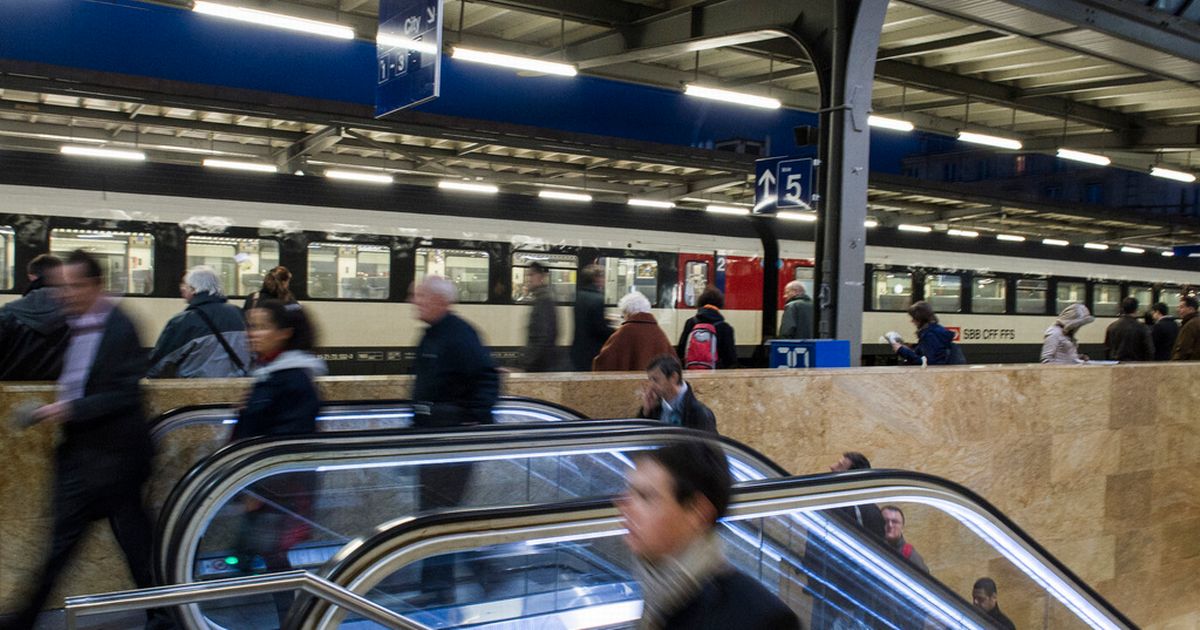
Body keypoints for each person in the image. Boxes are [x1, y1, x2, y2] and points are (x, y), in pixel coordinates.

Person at [4, 250, 172, 630]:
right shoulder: (74, 323)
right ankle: (164, 615)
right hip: (89, 456)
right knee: (109, 544)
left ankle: (165, 614)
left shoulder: (120, 327)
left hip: (113, 459)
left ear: (96, 286)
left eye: (75, 286)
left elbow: (125, 393)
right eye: (62, 286)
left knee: (126, 546)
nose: (66, 294)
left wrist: (66, 410)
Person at [617, 441, 800, 630]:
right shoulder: (654, 597)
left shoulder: (762, 620)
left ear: (698, 513)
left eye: (646, 496)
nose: (625, 505)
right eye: (629, 490)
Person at [228, 299, 325, 624]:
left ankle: (294, 618)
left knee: (270, 554)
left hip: (279, 490)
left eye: (261, 326)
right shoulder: (272, 374)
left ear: (284, 333)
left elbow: (288, 443)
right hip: (264, 486)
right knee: (264, 552)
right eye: (250, 325)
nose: (252, 334)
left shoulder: (292, 379)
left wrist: (260, 491)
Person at [410, 276, 500, 605]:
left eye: (420, 296)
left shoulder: (460, 335)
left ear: (440, 301)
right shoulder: (433, 335)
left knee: (437, 517)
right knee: (438, 516)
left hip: (452, 441)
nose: (414, 302)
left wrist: (472, 421)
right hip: (431, 439)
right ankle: (448, 583)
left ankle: (442, 588)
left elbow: (487, 379)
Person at [805, 452, 886, 630]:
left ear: (852, 476)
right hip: (840, 595)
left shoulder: (847, 508)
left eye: (840, 465)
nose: (832, 467)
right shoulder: (868, 509)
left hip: (840, 599)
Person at [147, 265, 251, 378]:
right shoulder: (239, 313)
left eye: (185, 285)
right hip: (237, 387)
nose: (181, 288)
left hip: (196, 389)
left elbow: (159, 362)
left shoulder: (184, 321)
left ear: (193, 289)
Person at [0, 254, 69, 381]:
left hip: (9, 394)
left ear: (31, 277)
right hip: (65, 396)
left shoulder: (8, 313)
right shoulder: (79, 314)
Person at [593, 292, 674, 371]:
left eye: (623, 314)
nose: (623, 317)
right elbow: (673, 360)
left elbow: (604, 361)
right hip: (655, 383)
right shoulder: (659, 332)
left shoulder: (624, 332)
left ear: (628, 313)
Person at [635, 354, 717, 433]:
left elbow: (709, 446)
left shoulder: (699, 413)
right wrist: (646, 412)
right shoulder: (655, 407)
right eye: (650, 380)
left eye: (656, 380)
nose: (651, 386)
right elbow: (639, 438)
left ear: (674, 377)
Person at [677, 287, 738, 369]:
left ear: (701, 302)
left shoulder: (690, 322)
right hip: (715, 373)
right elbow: (730, 359)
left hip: (691, 371)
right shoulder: (725, 328)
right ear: (720, 304)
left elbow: (681, 350)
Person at [890, 301, 960, 365]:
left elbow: (927, 362)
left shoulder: (930, 335)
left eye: (914, 318)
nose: (912, 321)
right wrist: (907, 349)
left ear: (920, 319)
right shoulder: (935, 331)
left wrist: (901, 350)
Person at [570, 263, 612, 371]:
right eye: (602, 277)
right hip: (592, 351)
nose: (604, 280)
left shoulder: (579, 296)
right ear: (596, 278)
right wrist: (616, 332)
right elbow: (599, 329)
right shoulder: (597, 299)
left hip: (578, 349)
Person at [522, 261, 560, 372]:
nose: (529, 279)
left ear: (541, 277)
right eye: (528, 275)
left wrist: (529, 361)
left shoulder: (544, 300)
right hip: (541, 362)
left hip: (540, 364)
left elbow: (544, 336)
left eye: (531, 275)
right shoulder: (541, 298)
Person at [881, 505, 930, 574]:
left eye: (895, 522)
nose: (890, 525)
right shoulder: (869, 546)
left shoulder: (910, 556)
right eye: (885, 521)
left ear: (902, 526)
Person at [1103, 297, 1153, 361]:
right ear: (1136, 310)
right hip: (1136, 365)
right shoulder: (1142, 327)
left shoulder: (1112, 326)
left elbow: (1107, 349)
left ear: (1122, 309)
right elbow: (1149, 349)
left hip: (1117, 365)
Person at [1171, 296, 1200, 361]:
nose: (1178, 310)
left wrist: (1174, 364)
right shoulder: (1196, 322)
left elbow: (1183, 349)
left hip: (1189, 366)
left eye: (1181, 307)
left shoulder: (1190, 325)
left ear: (1191, 309)